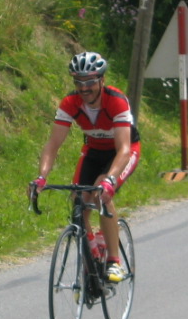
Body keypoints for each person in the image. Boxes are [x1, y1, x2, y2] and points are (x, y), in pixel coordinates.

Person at [29, 51, 141, 282]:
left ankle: (114, 261)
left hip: (123, 152)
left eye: (90, 81)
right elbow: (53, 144)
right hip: (94, 150)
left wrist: (110, 181)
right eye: (78, 82)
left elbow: (123, 149)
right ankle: (93, 251)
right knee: (79, 201)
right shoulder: (70, 103)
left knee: (101, 193)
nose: (84, 88)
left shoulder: (116, 101)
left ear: (102, 80)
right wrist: (41, 177)